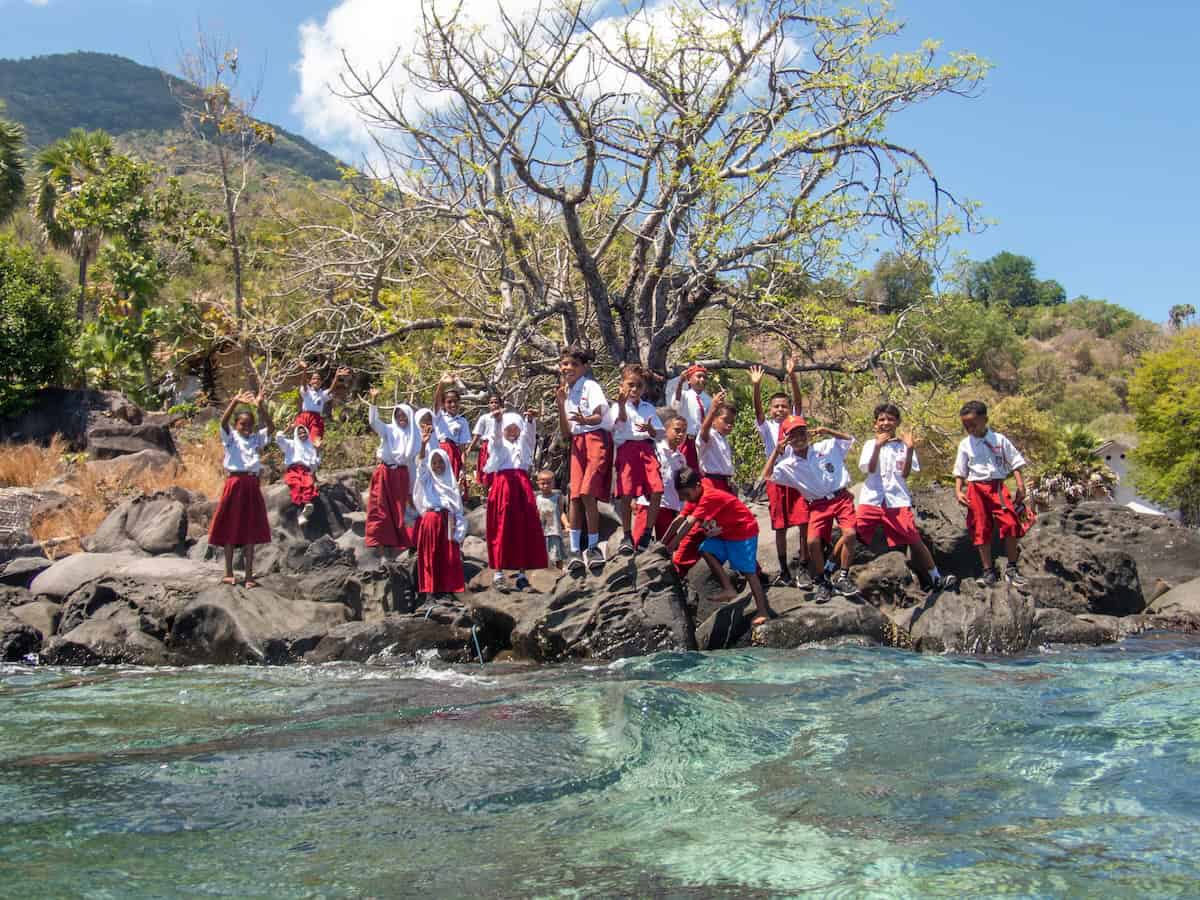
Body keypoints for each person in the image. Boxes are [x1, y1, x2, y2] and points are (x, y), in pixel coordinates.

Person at [858, 403, 957, 592]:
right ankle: (830, 573)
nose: (886, 423)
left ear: (897, 423)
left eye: (890, 419)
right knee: (851, 534)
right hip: (872, 498)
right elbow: (869, 469)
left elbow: (905, 474)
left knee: (913, 538)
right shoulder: (870, 444)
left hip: (897, 500)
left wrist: (910, 448)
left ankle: (936, 577)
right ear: (875, 423)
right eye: (882, 419)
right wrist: (878, 446)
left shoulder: (903, 446)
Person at [763, 416, 859, 602]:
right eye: (793, 435)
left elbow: (849, 439)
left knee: (850, 533)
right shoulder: (788, 465)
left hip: (840, 498)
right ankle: (823, 580)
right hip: (817, 504)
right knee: (812, 542)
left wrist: (828, 430)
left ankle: (843, 576)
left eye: (802, 432)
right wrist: (776, 451)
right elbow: (767, 475)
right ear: (787, 439)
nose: (799, 438)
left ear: (807, 433)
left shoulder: (825, 447)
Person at [668, 467, 773, 626]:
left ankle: (763, 612)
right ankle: (728, 588)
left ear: (697, 486)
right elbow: (680, 519)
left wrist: (672, 546)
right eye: (681, 496)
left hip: (743, 532)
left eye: (686, 495)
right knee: (705, 549)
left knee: (748, 572)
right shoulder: (695, 496)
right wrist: (663, 543)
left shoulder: (708, 496)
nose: (684, 499)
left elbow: (689, 522)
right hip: (726, 533)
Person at [953, 400, 1029, 586]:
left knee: (1010, 522)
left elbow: (1016, 462)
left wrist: (1020, 485)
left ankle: (1011, 568)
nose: (969, 428)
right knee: (980, 527)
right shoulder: (965, 444)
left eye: (973, 423)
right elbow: (960, 471)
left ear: (984, 419)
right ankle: (988, 571)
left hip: (997, 487)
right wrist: (958, 491)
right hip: (975, 488)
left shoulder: (999, 440)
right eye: (965, 425)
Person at [750, 359, 810, 587]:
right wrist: (756, 386)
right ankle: (784, 570)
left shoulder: (794, 423)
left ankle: (803, 564)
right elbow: (758, 411)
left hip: (797, 479)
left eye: (783, 406)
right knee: (780, 526)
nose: (780, 410)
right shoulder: (767, 428)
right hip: (776, 481)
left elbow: (797, 402)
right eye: (775, 406)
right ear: (770, 409)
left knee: (804, 521)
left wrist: (793, 375)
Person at [556, 345, 612, 572]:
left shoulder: (590, 385)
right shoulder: (567, 393)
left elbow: (599, 415)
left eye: (573, 364)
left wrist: (585, 419)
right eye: (565, 364)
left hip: (595, 438)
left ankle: (593, 545)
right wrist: (561, 404)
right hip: (577, 443)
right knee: (576, 496)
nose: (568, 368)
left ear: (584, 367)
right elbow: (566, 432)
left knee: (589, 492)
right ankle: (574, 550)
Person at [210, 390, 273, 587]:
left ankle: (248, 576)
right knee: (230, 526)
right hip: (235, 484)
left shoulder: (256, 439)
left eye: (249, 424)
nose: (245, 427)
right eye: (241, 423)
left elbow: (271, 427)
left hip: (251, 485)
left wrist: (261, 406)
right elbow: (222, 422)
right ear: (236, 425)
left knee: (249, 530)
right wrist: (234, 402)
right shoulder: (231, 438)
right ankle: (229, 572)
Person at [484, 407, 548, 590]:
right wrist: (497, 421)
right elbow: (495, 437)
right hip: (503, 487)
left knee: (523, 528)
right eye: (508, 428)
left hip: (521, 487)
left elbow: (529, 436)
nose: (512, 432)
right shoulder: (498, 446)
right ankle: (498, 573)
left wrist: (529, 421)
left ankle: (522, 574)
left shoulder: (523, 445)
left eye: (515, 428)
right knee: (501, 527)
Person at [606, 363, 665, 555]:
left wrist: (650, 430)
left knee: (657, 489)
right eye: (630, 385)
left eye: (638, 386)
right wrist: (622, 405)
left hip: (646, 451)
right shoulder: (617, 407)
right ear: (622, 387)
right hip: (628, 450)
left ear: (644, 388)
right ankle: (627, 534)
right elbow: (619, 423)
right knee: (627, 493)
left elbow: (659, 434)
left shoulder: (648, 408)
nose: (634, 389)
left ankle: (647, 531)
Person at [366, 388, 419, 558]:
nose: (401, 419)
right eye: (398, 415)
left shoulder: (414, 436)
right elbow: (374, 422)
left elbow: (411, 464)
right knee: (380, 510)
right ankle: (382, 553)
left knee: (399, 513)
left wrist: (411, 490)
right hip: (385, 473)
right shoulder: (388, 430)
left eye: (404, 416)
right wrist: (374, 401)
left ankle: (400, 550)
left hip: (401, 476)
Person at [412, 445, 467, 599]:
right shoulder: (428, 480)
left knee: (449, 555)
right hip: (431, 520)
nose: (438, 466)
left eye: (440, 462)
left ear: (446, 463)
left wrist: (459, 531)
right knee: (430, 555)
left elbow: (458, 509)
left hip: (448, 520)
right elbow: (421, 464)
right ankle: (430, 591)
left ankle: (448, 589)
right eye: (434, 463)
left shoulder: (451, 483)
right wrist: (422, 444)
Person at [633, 414, 688, 546]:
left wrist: (680, 509)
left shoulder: (681, 459)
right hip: (647, 503)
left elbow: (680, 487)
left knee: (665, 548)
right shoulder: (654, 448)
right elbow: (640, 472)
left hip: (669, 506)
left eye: (684, 432)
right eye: (677, 430)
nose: (680, 435)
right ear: (666, 430)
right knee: (638, 542)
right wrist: (634, 498)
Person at [294, 363, 351, 448]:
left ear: (321, 382)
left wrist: (336, 376)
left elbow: (331, 389)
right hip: (304, 417)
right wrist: (305, 369)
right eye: (314, 379)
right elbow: (303, 384)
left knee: (316, 441)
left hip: (316, 419)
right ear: (310, 382)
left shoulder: (322, 394)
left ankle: (313, 458)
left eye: (318, 379)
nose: (316, 380)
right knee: (299, 440)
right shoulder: (307, 391)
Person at [669, 364, 713, 471]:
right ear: (689, 380)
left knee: (701, 470)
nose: (702, 379)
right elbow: (675, 404)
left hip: (702, 441)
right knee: (684, 471)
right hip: (688, 440)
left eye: (704, 377)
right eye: (698, 376)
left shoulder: (708, 400)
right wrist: (680, 383)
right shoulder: (685, 395)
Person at [275, 424, 320, 526]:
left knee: (308, 485)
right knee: (296, 485)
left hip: (305, 471)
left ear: (307, 433)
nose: (302, 434)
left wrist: (317, 450)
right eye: (299, 433)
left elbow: (315, 465)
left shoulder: (310, 446)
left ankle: (305, 510)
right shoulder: (291, 444)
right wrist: (288, 428)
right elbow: (279, 438)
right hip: (293, 470)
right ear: (296, 434)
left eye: (304, 432)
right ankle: (303, 511)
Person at [433, 373, 472, 480]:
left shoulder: (462, 421)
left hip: (454, 454)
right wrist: (441, 384)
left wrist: (463, 467)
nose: (453, 405)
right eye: (449, 402)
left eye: (455, 401)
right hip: (439, 450)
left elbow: (462, 448)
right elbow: (436, 402)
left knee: (452, 481)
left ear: (459, 402)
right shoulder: (439, 416)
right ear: (444, 404)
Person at [697, 390, 736, 493]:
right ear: (714, 420)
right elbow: (703, 431)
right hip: (712, 483)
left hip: (725, 483)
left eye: (732, 422)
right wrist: (713, 408)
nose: (729, 425)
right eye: (725, 420)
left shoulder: (724, 439)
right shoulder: (710, 435)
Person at [467, 391, 505, 494]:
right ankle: (486, 496)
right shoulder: (484, 418)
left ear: (500, 404)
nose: (494, 405)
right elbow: (477, 434)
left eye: (496, 402)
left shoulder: (505, 417)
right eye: (491, 402)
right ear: (488, 404)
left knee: (498, 471)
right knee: (486, 472)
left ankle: (498, 494)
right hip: (486, 447)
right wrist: (470, 448)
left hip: (499, 447)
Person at [536, 469, 569, 569]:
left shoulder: (557, 497)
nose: (546, 485)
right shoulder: (537, 498)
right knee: (542, 554)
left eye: (548, 483)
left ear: (553, 483)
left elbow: (561, 513)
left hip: (554, 531)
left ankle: (560, 571)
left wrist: (566, 524)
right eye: (543, 483)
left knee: (557, 554)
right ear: (538, 484)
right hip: (541, 531)